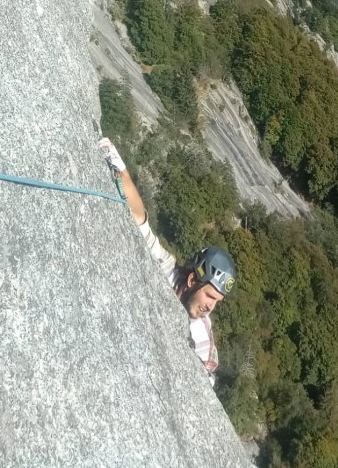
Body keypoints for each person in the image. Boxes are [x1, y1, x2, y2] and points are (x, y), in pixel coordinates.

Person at [99, 137, 236, 382]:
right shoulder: (167, 268)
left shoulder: (202, 338)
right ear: (193, 280)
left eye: (217, 301)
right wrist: (117, 165)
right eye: (210, 296)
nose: (210, 307)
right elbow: (140, 221)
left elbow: (207, 373)